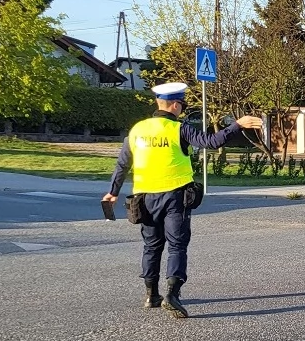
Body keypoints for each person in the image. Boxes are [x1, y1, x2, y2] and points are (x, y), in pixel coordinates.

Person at [102, 82, 263, 319]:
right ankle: (173, 294)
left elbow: (123, 163)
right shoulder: (179, 129)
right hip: (174, 196)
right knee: (177, 244)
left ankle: (151, 295)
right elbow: (212, 141)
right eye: (182, 106)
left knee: (151, 246)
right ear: (175, 105)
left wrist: (113, 191)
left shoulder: (137, 130)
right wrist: (237, 125)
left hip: (144, 197)